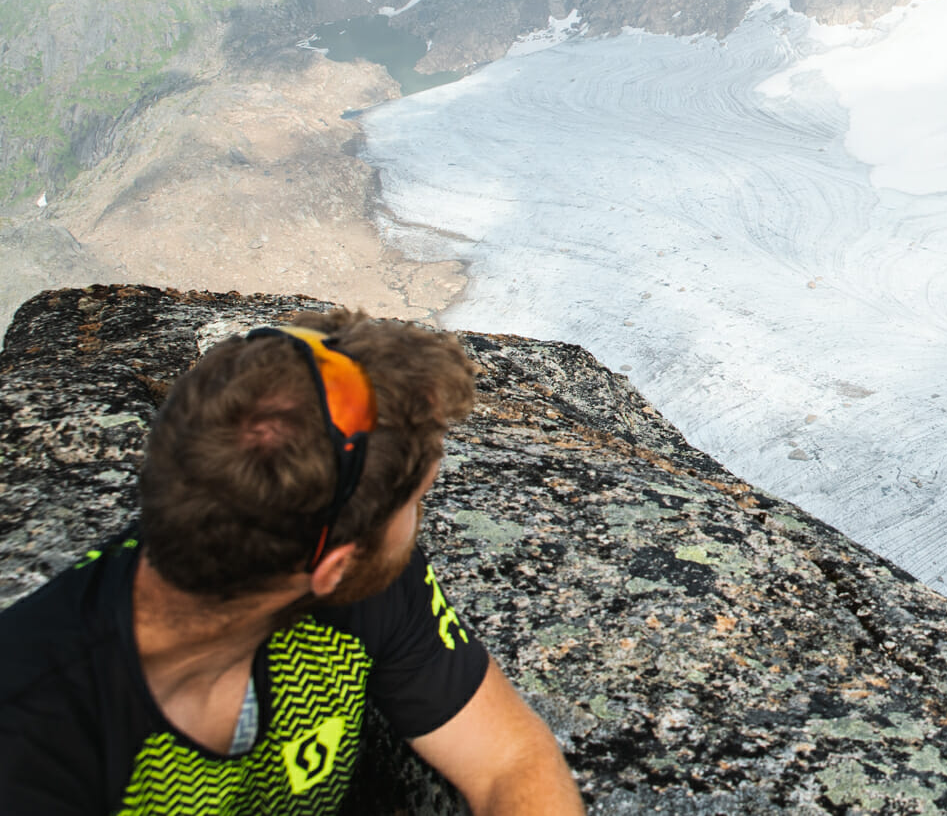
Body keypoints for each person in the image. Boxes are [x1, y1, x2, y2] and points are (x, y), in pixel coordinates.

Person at [0, 309, 585, 815]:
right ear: (332, 569)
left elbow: (511, 762)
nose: (420, 523)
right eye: (418, 503)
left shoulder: (362, 578)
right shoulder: (33, 738)